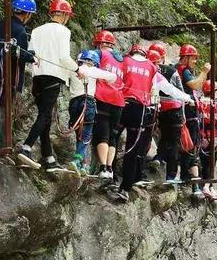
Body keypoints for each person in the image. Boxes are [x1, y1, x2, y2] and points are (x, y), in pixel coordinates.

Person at [115, 44, 192, 202]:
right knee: (132, 148)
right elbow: (170, 89)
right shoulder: (150, 68)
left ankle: (107, 173)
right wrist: (188, 98)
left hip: (120, 105)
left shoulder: (123, 61)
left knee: (111, 140)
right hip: (140, 110)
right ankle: (125, 188)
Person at [18, 0, 79, 170]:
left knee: (44, 116)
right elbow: (64, 58)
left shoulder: (37, 30)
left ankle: (48, 157)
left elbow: (32, 53)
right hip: (53, 77)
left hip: (38, 77)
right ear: (65, 15)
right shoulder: (63, 32)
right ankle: (26, 147)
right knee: (45, 116)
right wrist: (77, 70)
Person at [67, 50, 116, 176]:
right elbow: (112, 77)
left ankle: (83, 165)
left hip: (73, 103)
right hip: (87, 102)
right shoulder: (93, 70)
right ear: (94, 62)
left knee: (79, 132)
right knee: (87, 134)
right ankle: (77, 160)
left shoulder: (74, 70)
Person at [0, 0, 37, 99]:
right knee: (4, 112)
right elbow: (20, 55)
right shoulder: (20, 31)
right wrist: (32, 56)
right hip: (8, 79)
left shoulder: (2, 23)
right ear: (27, 14)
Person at [177, 44, 211, 195]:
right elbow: (195, 85)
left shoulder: (181, 70)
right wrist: (204, 72)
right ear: (185, 58)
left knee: (191, 147)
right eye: (193, 58)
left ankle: (190, 178)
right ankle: (188, 178)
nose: (195, 61)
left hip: (188, 114)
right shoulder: (184, 71)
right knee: (191, 146)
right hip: (188, 115)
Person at [91, 30, 124, 180]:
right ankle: (110, 168)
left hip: (103, 97)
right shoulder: (122, 60)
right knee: (112, 135)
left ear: (100, 43)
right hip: (119, 100)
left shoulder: (99, 54)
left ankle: (103, 167)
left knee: (102, 133)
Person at [152, 43, 187, 183]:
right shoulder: (171, 71)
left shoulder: (148, 69)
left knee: (165, 136)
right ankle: (171, 176)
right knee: (174, 142)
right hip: (173, 108)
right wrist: (183, 114)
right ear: (163, 55)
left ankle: (158, 157)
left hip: (157, 108)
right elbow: (179, 92)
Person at [199, 80, 217, 198]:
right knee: (211, 163)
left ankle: (208, 186)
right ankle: (207, 186)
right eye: (216, 91)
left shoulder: (198, 103)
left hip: (201, 137)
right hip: (215, 137)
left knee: (204, 162)